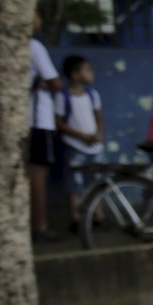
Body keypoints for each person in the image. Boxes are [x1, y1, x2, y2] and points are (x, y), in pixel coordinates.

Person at [27, 19, 64, 240]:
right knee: (38, 177)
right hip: (38, 120)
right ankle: (40, 226)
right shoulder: (34, 46)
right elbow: (56, 83)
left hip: (19, 121)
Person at [55, 55, 104, 223]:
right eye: (87, 70)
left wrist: (99, 134)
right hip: (74, 145)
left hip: (94, 146)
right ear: (75, 75)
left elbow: (98, 117)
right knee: (74, 184)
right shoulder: (63, 97)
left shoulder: (92, 95)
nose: (92, 73)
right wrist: (81, 136)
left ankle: (98, 215)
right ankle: (77, 218)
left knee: (96, 181)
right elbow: (59, 123)